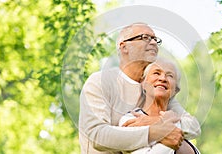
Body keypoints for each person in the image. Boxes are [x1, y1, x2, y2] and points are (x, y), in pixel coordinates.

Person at [79, 23, 201, 154]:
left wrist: (154, 122)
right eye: (145, 37)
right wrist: (153, 132)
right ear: (124, 47)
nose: (154, 42)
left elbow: (193, 127)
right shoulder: (100, 81)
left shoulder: (156, 90)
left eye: (155, 39)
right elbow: (97, 136)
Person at [119, 58, 200, 154]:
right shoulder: (130, 119)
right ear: (143, 83)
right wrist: (169, 133)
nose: (162, 78)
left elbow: (195, 128)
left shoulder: (174, 116)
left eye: (170, 76)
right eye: (156, 73)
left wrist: (157, 123)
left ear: (175, 90)